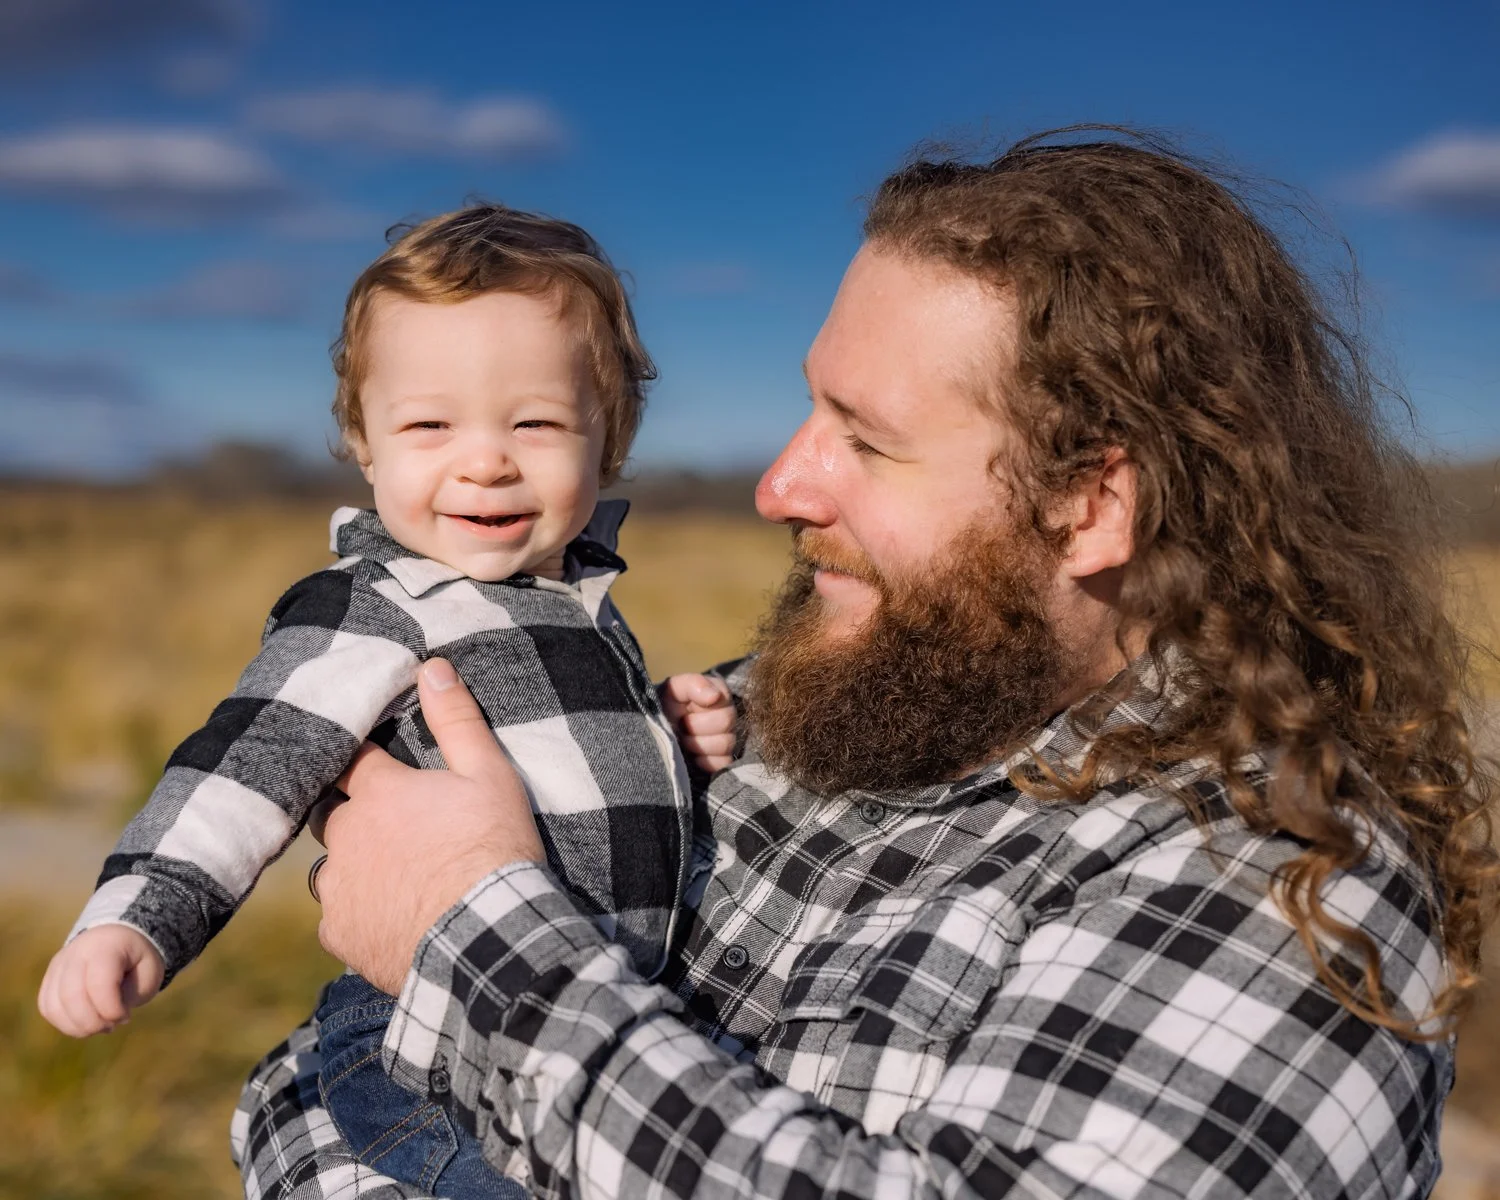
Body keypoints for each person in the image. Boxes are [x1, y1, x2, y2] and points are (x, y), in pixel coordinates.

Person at [235, 131, 1496, 1199]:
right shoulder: (775, 713)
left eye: (867, 441)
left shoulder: (1294, 904)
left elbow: (425, 994)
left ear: (1093, 504)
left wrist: (469, 931)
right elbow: (306, 1094)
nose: (780, 485)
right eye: (808, 409)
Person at [36, 204, 737, 1199]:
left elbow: (550, 765)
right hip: (438, 1052)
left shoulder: (573, 602)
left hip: (586, 1028)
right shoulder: (380, 608)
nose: (485, 459)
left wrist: (665, 733)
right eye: (429, 425)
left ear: (606, 440)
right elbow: (247, 763)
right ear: (365, 445)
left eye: (534, 422)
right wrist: (134, 919)